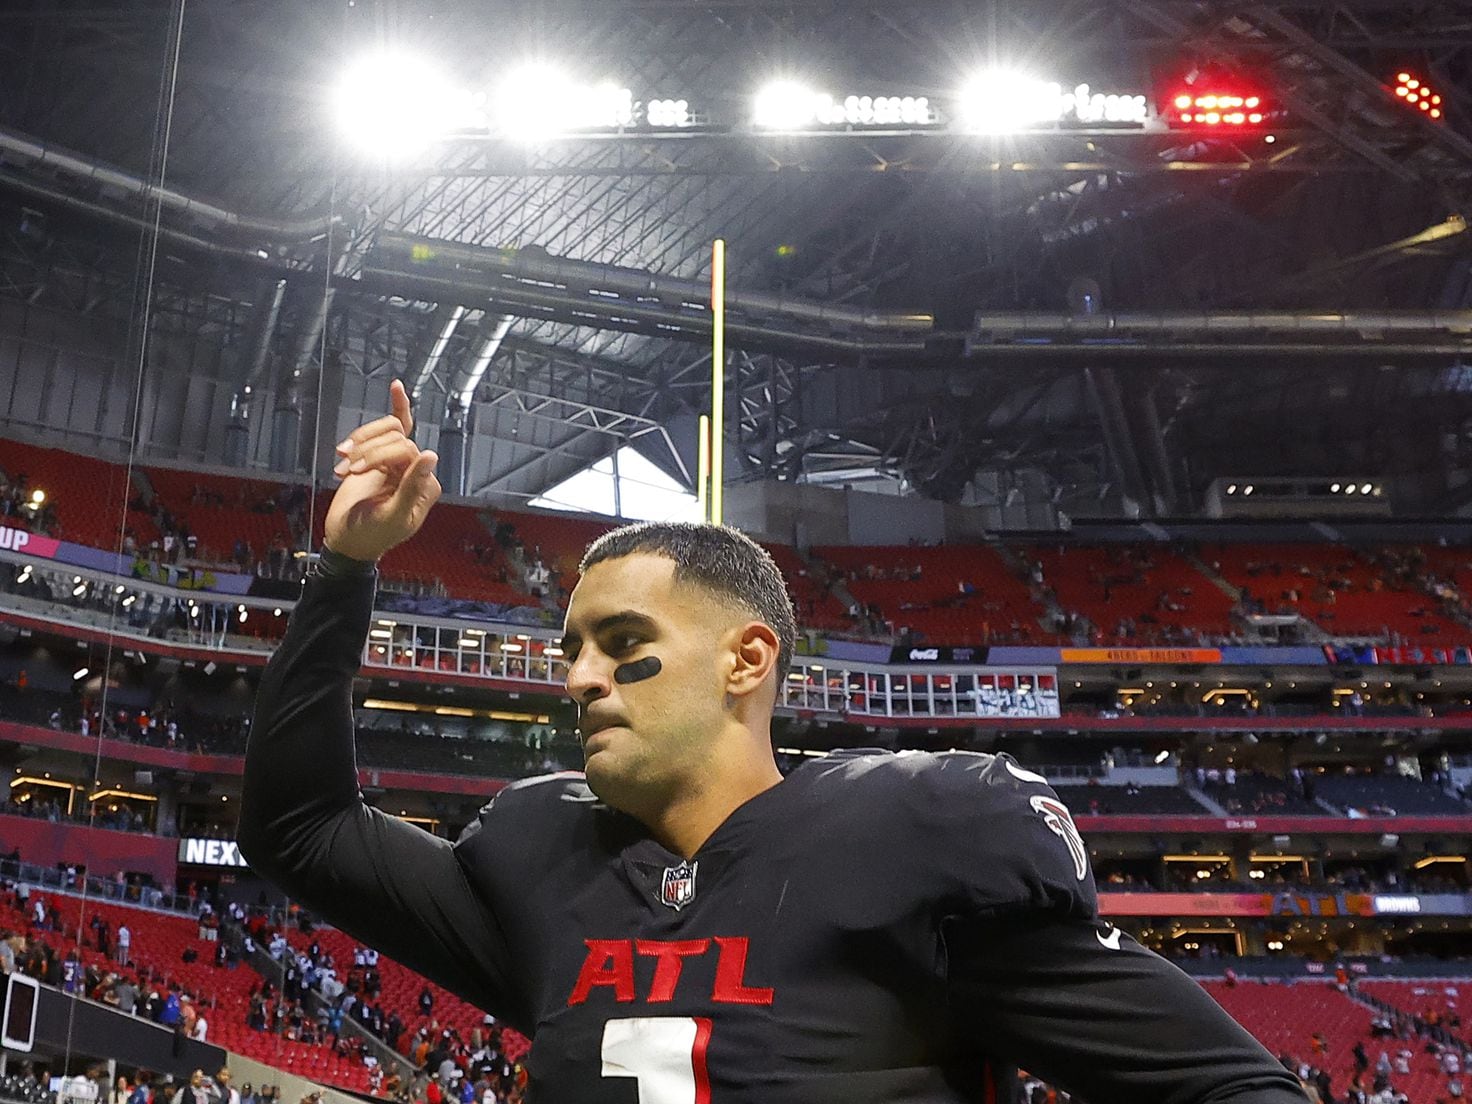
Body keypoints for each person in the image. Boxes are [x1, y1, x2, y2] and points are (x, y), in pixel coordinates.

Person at [240, 380, 1309, 1103]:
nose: (578, 677)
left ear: (746, 662)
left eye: (622, 643)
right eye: (571, 648)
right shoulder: (542, 862)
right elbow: (300, 827)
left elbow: (1233, 1086)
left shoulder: (909, 838)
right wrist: (346, 570)